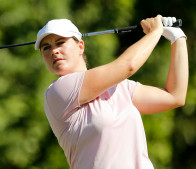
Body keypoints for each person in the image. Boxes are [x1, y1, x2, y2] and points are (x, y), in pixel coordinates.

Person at [35, 15, 188, 169]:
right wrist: (155, 32)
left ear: (80, 46)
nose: (54, 51)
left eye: (60, 42)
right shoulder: (57, 92)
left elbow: (175, 96)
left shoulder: (121, 87)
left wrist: (177, 37)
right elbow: (129, 65)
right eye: (46, 47)